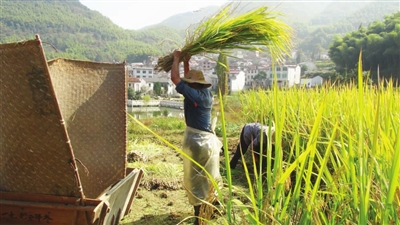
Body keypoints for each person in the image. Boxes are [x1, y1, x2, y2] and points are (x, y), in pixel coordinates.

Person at [171, 50, 222, 225]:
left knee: (196, 179)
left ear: (193, 85)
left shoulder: (194, 95)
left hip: (197, 143)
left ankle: (199, 217)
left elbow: (175, 80)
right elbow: (186, 80)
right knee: (209, 176)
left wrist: (176, 59)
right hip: (209, 142)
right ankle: (212, 209)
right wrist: (186, 63)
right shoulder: (205, 94)